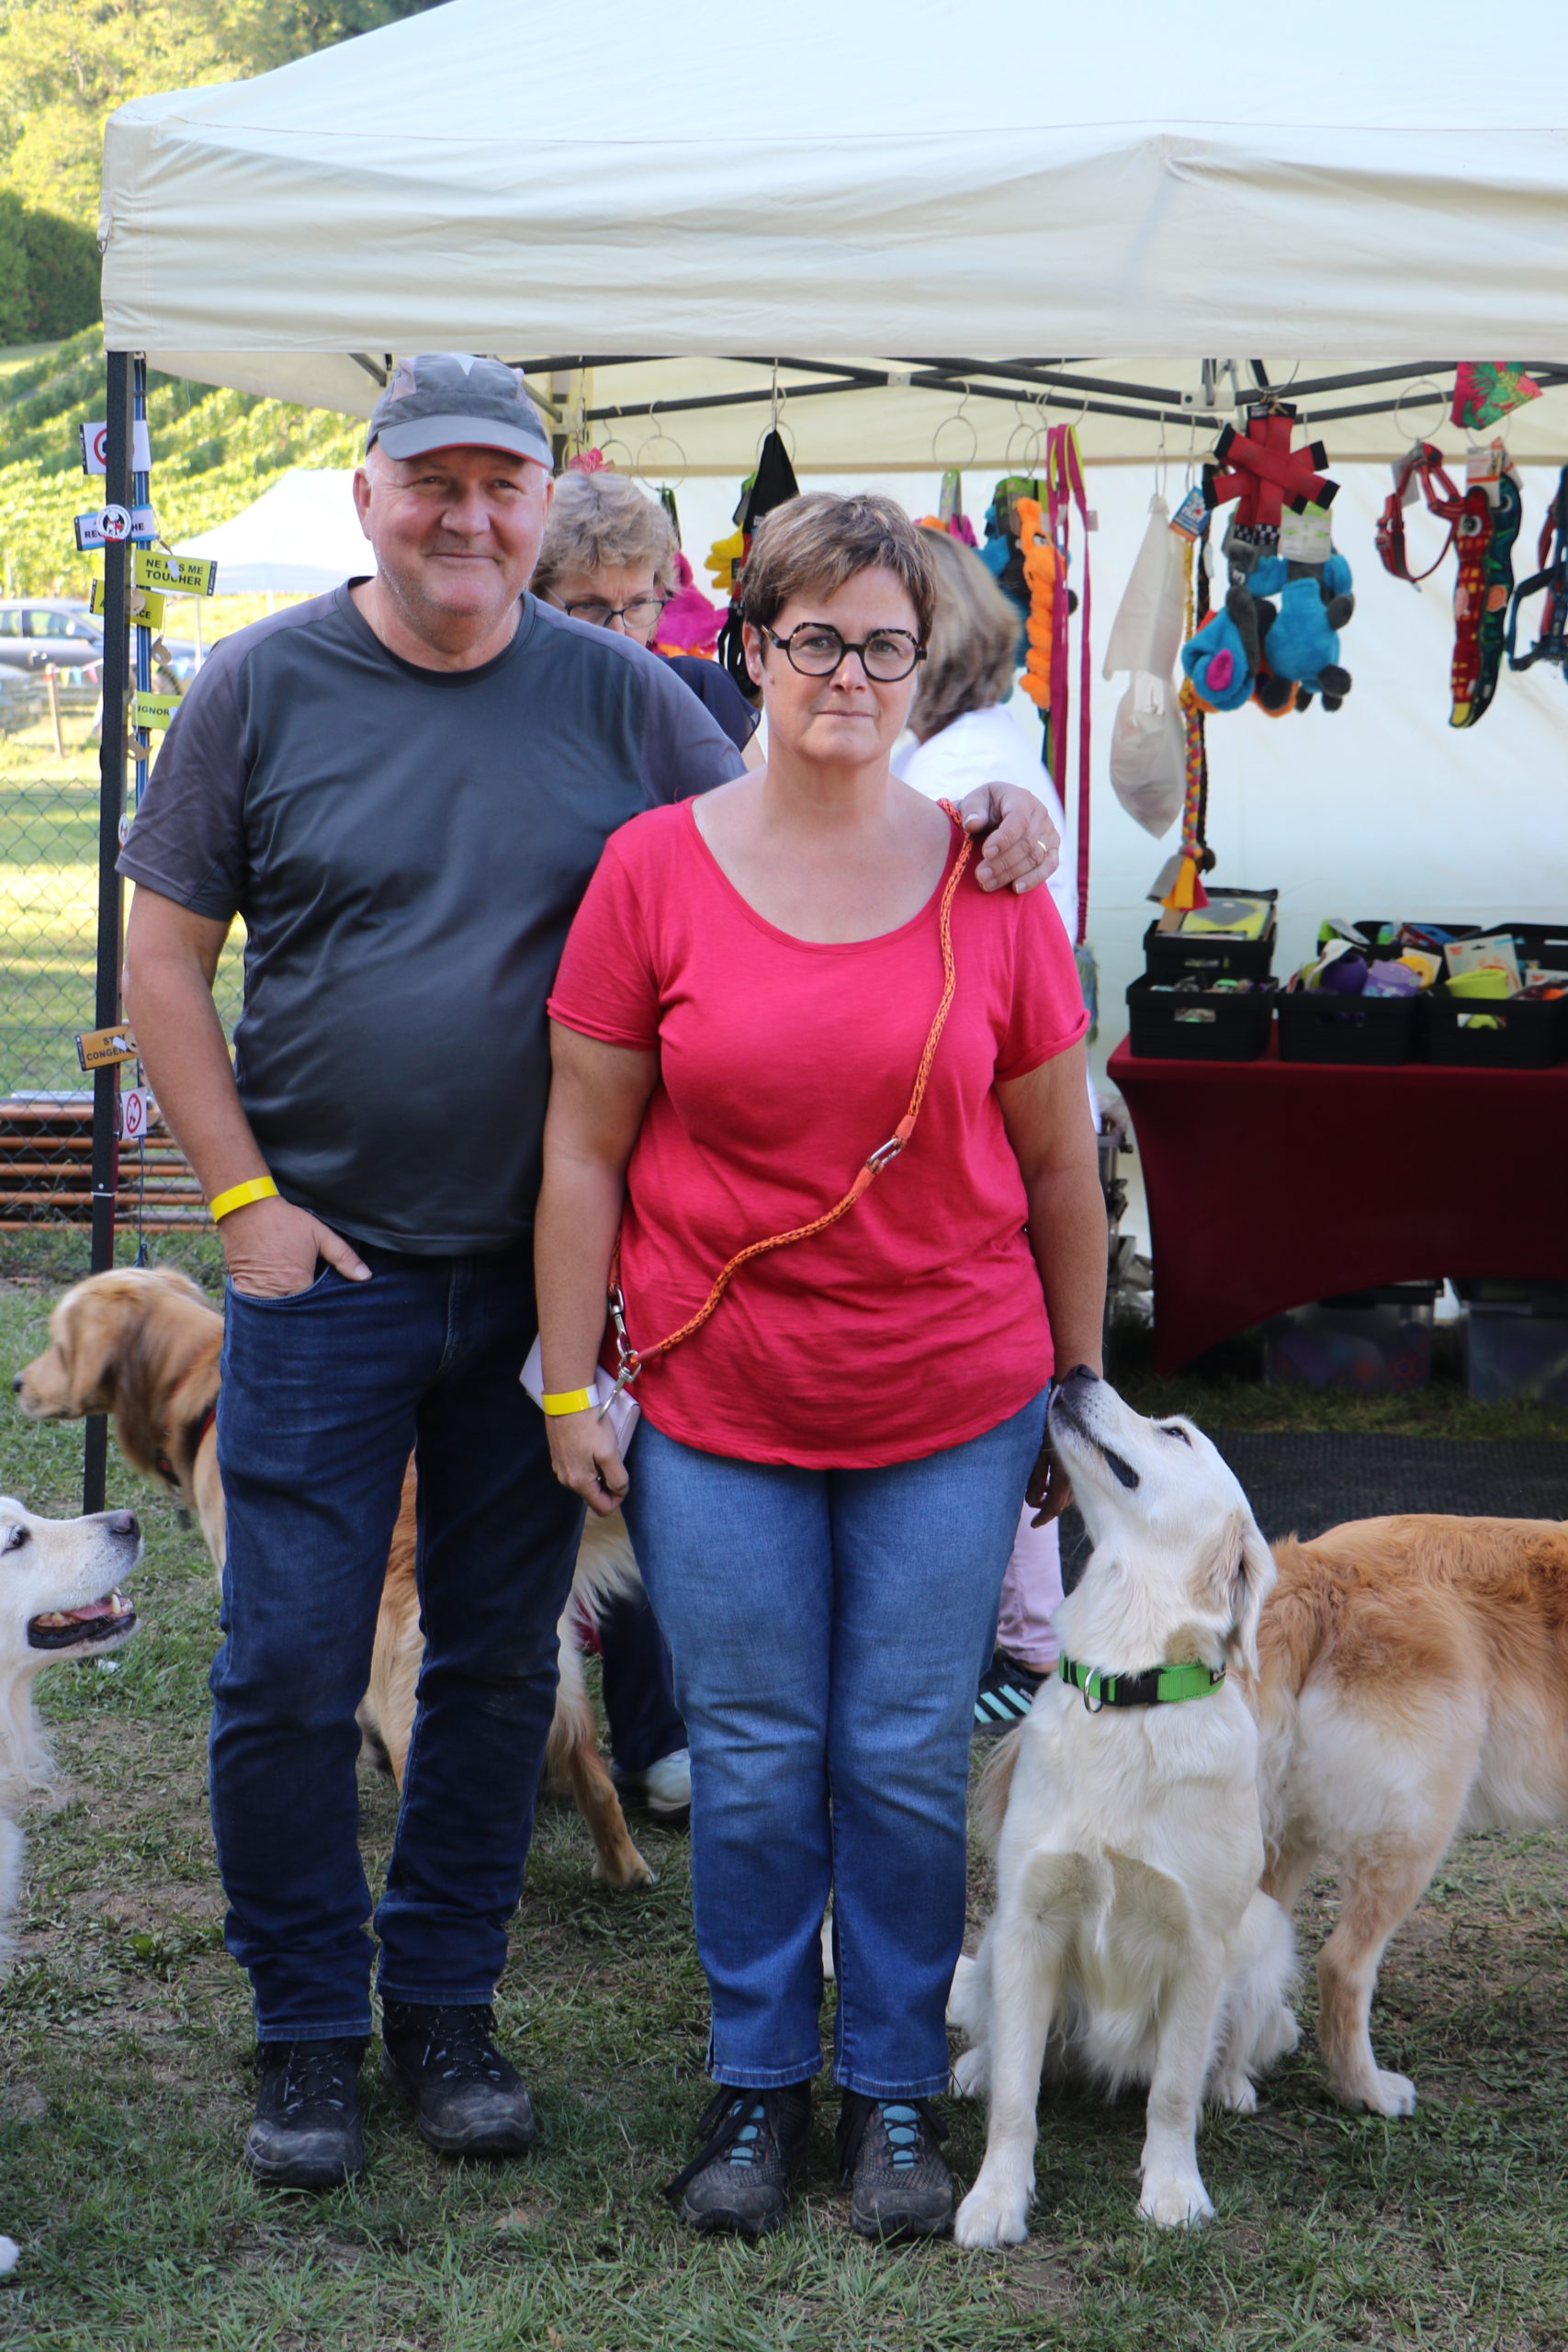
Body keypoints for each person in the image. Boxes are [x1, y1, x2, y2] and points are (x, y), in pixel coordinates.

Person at [117, 357, 1066, 2193]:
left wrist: (989, 815)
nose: (466, 516)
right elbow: (164, 962)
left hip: (546, 1288)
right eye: (432, 482)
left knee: (493, 1666)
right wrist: (241, 1202)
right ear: (368, 496)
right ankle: (306, 2030)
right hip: (325, 1269)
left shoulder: (624, 694)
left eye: (503, 484)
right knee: (291, 1663)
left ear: (544, 505)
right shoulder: (259, 684)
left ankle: (445, 2014)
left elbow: (802, 827)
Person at [534, 492, 1106, 2243]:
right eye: (813, 640)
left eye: (883, 645)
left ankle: (894, 2094)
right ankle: (757, 2078)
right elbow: (581, 1149)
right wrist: (566, 1386)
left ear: (925, 667)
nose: (847, 675)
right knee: (756, 1749)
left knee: (904, 1749)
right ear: (750, 649)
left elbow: (1061, 1167)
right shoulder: (653, 870)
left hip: (953, 1395)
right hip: (717, 1401)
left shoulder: (990, 877)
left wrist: (1076, 1392)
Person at [894, 525, 1095, 1729]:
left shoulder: (961, 771)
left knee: (994, 1402)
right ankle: (1025, 1641)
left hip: (974, 1124)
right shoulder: (990, 741)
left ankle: (1020, 1649)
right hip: (996, 1112)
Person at [533, 469, 762, 759]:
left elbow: (760, 788)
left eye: (637, 604)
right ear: (536, 600)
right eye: (589, 606)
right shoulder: (510, 706)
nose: (619, 633)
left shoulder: (702, 693)